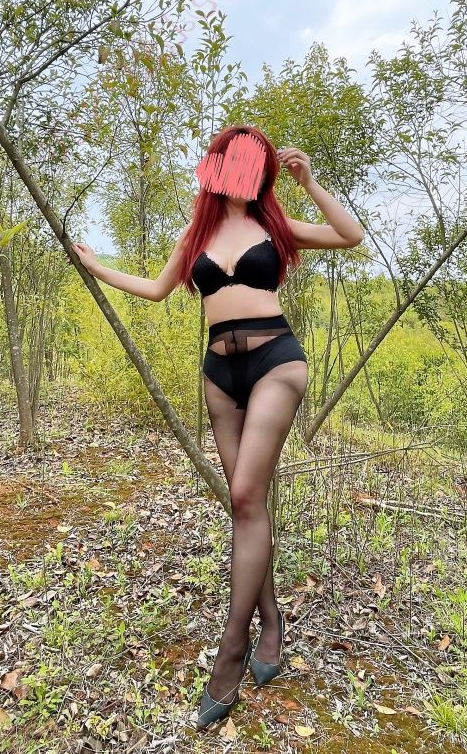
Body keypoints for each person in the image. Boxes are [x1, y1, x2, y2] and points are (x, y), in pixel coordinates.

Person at [72, 124, 364, 728]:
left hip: (275, 361)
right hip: (218, 373)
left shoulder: (274, 227)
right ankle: (271, 619)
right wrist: (98, 267)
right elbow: (156, 290)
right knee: (245, 506)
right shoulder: (198, 231)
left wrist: (311, 184)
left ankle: (231, 651)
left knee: (246, 495)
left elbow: (350, 235)